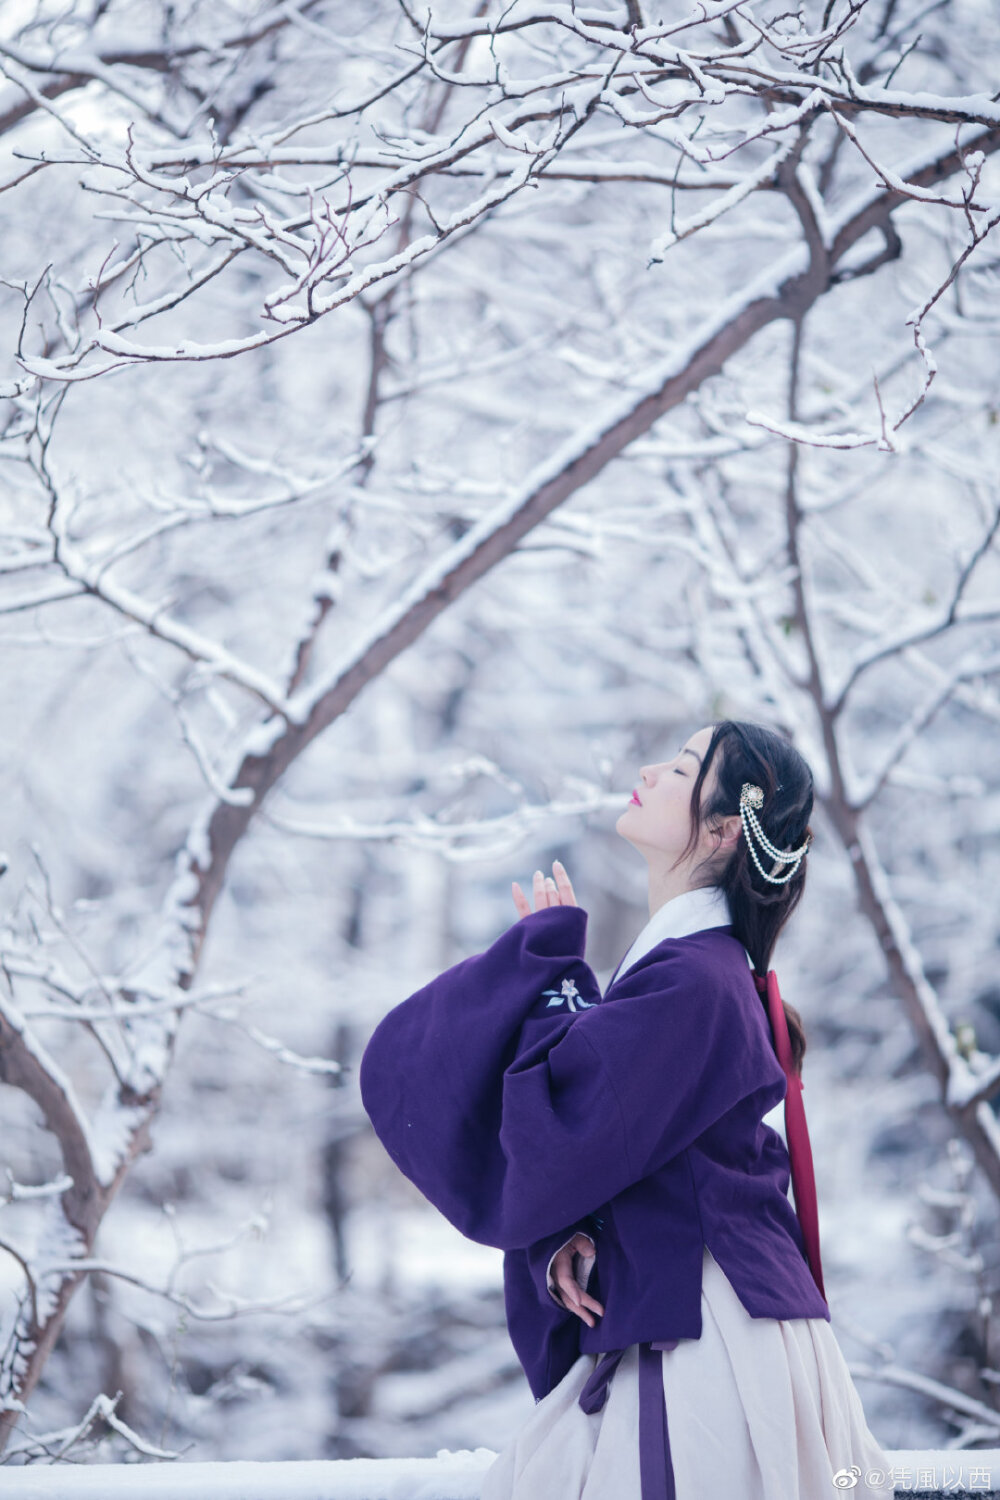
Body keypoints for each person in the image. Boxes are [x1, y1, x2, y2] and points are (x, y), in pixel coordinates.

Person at [359, 719, 895, 1498]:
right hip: (704, 1321)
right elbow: (615, 1144)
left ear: (718, 830)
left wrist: (548, 985)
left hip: (709, 1336)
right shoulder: (697, 973)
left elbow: (557, 1135)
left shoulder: (691, 981)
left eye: (680, 768)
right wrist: (568, 1232)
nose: (650, 769)